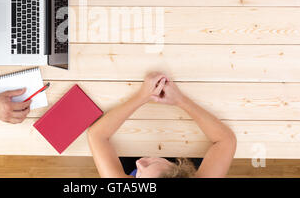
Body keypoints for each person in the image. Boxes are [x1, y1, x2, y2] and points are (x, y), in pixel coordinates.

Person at [87, 72, 237, 178]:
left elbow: (96, 135)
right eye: (148, 164)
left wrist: (142, 96)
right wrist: (180, 100)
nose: (139, 162)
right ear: (177, 166)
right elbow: (226, 140)